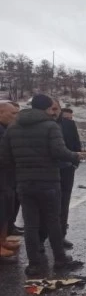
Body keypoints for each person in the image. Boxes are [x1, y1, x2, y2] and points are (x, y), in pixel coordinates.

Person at [0, 94, 83, 276]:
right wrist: (76, 155)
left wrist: (21, 171)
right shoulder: (50, 126)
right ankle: (60, 260)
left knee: (30, 224)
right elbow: (59, 151)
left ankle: (34, 264)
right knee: (52, 220)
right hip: (49, 182)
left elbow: (5, 158)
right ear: (46, 108)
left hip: (24, 183)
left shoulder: (13, 128)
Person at [57, 106, 83, 247]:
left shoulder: (68, 125)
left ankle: (59, 234)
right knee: (58, 202)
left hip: (67, 167)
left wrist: (75, 161)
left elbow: (75, 142)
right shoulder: (46, 125)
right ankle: (56, 236)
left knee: (62, 201)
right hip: (59, 167)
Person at [0, 101, 20, 260]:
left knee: (6, 210)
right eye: (13, 113)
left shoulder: (6, 129)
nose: (16, 116)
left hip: (7, 178)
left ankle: (3, 240)